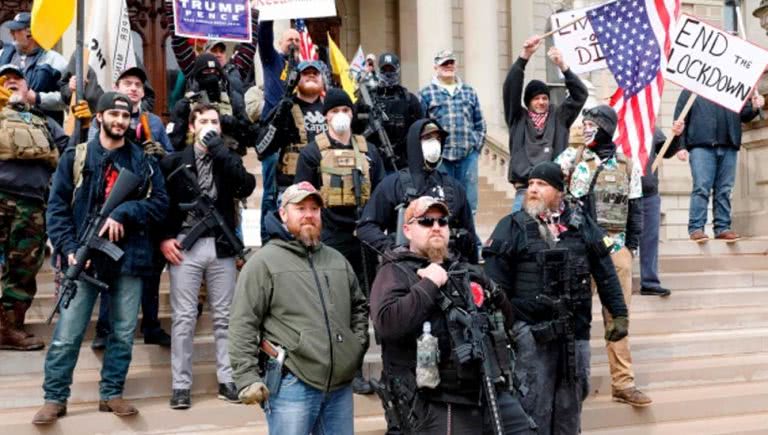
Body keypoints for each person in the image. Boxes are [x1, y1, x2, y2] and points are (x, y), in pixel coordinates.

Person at [35, 92, 168, 424]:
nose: (121, 121)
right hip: (84, 257)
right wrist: (67, 248)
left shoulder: (142, 161)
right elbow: (56, 210)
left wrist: (125, 211)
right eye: (114, 115)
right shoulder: (76, 157)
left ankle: (112, 393)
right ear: (99, 117)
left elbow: (160, 204)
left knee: (122, 332)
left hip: (130, 257)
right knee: (68, 332)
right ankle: (54, 397)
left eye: (126, 116)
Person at [483, 162, 629, 434]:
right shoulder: (511, 226)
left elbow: (606, 272)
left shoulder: (581, 224)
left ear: (559, 191)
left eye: (542, 184)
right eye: (532, 184)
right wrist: (507, 330)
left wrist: (618, 314)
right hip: (530, 335)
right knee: (532, 407)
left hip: (574, 334)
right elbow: (494, 286)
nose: (534, 190)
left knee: (570, 406)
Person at [370, 196, 534, 434]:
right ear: (407, 230)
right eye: (426, 221)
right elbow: (388, 323)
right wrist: (429, 284)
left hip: (485, 387)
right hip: (437, 398)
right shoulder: (395, 269)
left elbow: (506, 319)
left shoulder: (464, 269)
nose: (436, 227)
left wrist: (492, 290)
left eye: (442, 221)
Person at [229, 181, 369, 435]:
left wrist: (354, 347)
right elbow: (243, 321)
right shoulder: (263, 262)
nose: (308, 214)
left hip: (339, 387)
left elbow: (359, 307)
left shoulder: (337, 260)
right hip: (292, 384)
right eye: (300, 208)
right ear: (284, 213)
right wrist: (247, 377)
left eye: (314, 209)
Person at [159, 103, 256, 409]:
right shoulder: (175, 161)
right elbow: (161, 203)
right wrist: (164, 239)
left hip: (221, 247)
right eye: (203, 121)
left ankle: (227, 379)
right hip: (185, 248)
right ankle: (181, 385)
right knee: (185, 318)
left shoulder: (227, 160)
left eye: (214, 121)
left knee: (225, 317)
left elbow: (247, 185)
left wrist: (222, 151)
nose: (209, 125)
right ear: (191, 126)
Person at [555, 105, 650, 407]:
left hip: (616, 251)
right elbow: (551, 188)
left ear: (606, 127)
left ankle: (623, 383)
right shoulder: (574, 158)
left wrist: (629, 249)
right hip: (581, 251)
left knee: (618, 319)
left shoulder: (627, 165)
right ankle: (569, 381)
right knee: (573, 315)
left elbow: (636, 209)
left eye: (591, 123)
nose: (585, 128)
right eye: (584, 124)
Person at [294, 87, 384, 395]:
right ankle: (341, 367)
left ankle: (362, 368)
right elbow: (302, 196)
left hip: (365, 237)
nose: (340, 116)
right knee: (337, 306)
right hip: (332, 237)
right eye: (333, 112)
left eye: (345, 110)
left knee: (367, 304)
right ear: (326, 116)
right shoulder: (312, 152)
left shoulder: (368, 149)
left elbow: (382, 192)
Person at [88, 66, 173, 350]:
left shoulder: (153, 123)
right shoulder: (106, 115)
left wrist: (160, 155)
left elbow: (169, 159)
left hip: (145, 205)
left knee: (148, 272)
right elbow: (94, 154)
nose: (134, 88)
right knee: (109, 271)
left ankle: (150, 325)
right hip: (112, 204)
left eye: (138, 84)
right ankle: (104, 328)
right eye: (128, 83)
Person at [0, 64, 71, 351]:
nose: (12, 82)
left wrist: (85, 124)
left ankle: (9, 328)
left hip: (32, 203)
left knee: (25, 268)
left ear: (28, 88)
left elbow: (68, 149)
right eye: (6, 79)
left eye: (18, 78)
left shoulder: (41, 119)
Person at [357, 119, 479, 264]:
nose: (434, 143)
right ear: (415, 143)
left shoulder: (454, 187)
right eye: (428, 138)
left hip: (448, 266)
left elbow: (470, 235)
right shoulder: (393, 184)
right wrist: (392, 249)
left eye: (438, 139)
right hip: (406, 269)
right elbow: (366, 227)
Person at [504, 34, 588, 212]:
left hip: (552, 190)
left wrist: (562, 66)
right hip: (524, 190)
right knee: (520, 236)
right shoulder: (518, 118)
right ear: (528, 102)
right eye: (536, 98)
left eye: (544, 98)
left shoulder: (559, 116)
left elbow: (580, 94)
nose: (541, 102)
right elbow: (510, 87)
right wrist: (524, 56)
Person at [674, 90, 764, 242]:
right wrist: (680, 146)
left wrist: (754, 107)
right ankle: (696, 228)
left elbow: (743, 114)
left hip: (729, 144)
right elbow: (680, 121)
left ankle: (722, 228)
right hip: (700, 145)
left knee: (725, 189)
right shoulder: (690, 89)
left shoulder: (731, 87)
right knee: (701, 187)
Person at [419, 49, 486, 215]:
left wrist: (476, 148)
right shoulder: (426, 93)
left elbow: (479, 122)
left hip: (467, 156)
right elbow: (419, 126)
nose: (448, 66)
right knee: (441, 201)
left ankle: (469, 238)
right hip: (440, 159)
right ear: (436, 67)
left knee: (469, 203)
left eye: (451, 63)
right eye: (444, 63)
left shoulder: (469, 92)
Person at [256, 20, 302, 243]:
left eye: (296, 40)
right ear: (280, 43)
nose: (293, 43)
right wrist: (268, 13)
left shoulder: (303, 68)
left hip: (294, 134)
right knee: (271, 190)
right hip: (272, 129)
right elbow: (263, 35)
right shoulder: (272, 60)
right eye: (289, 40)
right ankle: (267, 236)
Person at [262, 60, 327, 194]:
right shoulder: (286, 107)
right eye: (306, 73)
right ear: (296, 79)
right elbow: (262, 149)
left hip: (326, 188)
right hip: (292, 189)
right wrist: (280, 117)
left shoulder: (332, 109)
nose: (311, 75)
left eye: (315, 73)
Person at [354, 52, 423, 172]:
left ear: (398, 71)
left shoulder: (409, 99)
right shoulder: (367, 97)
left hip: (401, 163)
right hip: (372, 163)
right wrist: (368, 120)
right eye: (384, 69)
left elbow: (420, 130)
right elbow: (353, 124)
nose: (388, 73)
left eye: (391, 69)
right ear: (379, 70)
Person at [639, 124, 686, 297]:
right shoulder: (618, 123)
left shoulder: (650, 124)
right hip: (622, 193)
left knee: (650, 238)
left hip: (649, 192)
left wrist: (676, 136)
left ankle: (649, 282)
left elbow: (666, 151)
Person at [167, 54, 248, 153]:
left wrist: (233, 124)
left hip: (227, 159)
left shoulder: (232, 99)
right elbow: (174, 142)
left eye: (215, 72)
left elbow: (247, 134)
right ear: (198, 76)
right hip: (195, 160)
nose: (211, 75)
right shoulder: (185, 104)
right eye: (207, 71)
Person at [0, 12, 68, 123]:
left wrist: (37, 98)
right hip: (5, 126)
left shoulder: (55, 61)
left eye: (16, 30)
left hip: (43, 128)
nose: (11, 34)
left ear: (29, 32)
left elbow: (68, 98)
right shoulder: (2, 54)